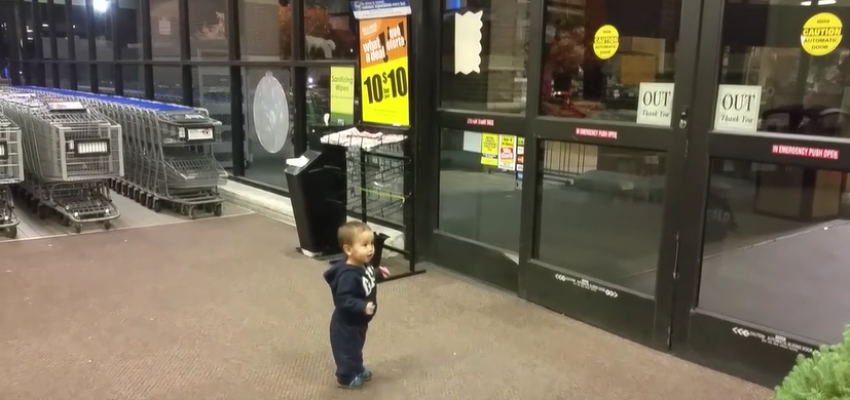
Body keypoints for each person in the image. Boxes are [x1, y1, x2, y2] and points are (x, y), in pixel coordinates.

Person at [323, 221, 390, 389]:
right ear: (348, 250)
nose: (370, 249)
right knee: (346, 350)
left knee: (357, 347)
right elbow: (344, 300)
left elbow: (366, 278)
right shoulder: (347, 276)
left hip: (359, 321)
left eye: (372, 244)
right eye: (364, 245)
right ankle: (345, 377)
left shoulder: (363, 265)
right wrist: (361, 306)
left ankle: (357, 368)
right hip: (346, 323)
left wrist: (378, 273)